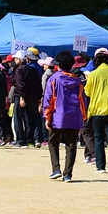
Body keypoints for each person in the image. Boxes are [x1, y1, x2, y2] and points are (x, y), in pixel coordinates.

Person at [42, 51, 85, 182]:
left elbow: (48, 100)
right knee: (71, 144)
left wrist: (47, 117)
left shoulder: (53, 79)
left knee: (53, 142)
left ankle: (56, 169)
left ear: (58, 65)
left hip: (57, 115)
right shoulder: (78, 82)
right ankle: (68, 174)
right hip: (75, 115)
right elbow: (83, 101)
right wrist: (83, 116)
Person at [11, 50, 44, 148]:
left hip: (22, 97)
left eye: (16, 58)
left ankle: (21, 141)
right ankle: (35, 139)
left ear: (19, 59)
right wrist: (38, 97)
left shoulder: (19, 70)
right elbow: (38, 84)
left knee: (18, 118)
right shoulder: (33, 70)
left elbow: (20, 84)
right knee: (33, 118)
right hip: (33, 97)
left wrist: (21, 97)